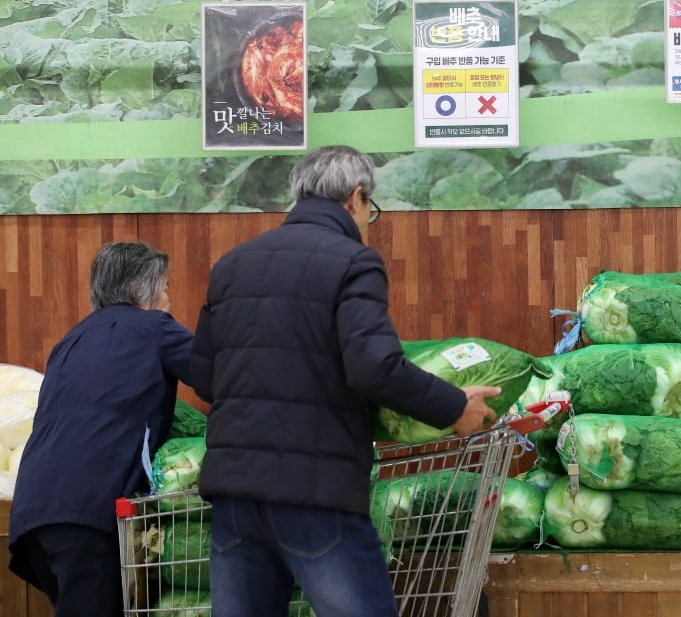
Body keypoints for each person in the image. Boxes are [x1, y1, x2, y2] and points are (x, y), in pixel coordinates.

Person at [191, 145, 499, 617]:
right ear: (356, 198)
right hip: (315, 493)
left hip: (236, 494)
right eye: (370, 211)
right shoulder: (352, 261)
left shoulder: (233, 265)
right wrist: (454, 407)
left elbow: (206, 379)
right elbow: (374, 367)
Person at [7, 241, 194, 617]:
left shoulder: (70, 341)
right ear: (147, 290)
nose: (170, 297)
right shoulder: (153, 326)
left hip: (34, 512)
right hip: (88, 513)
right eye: (167, 286)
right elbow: (224, 375)